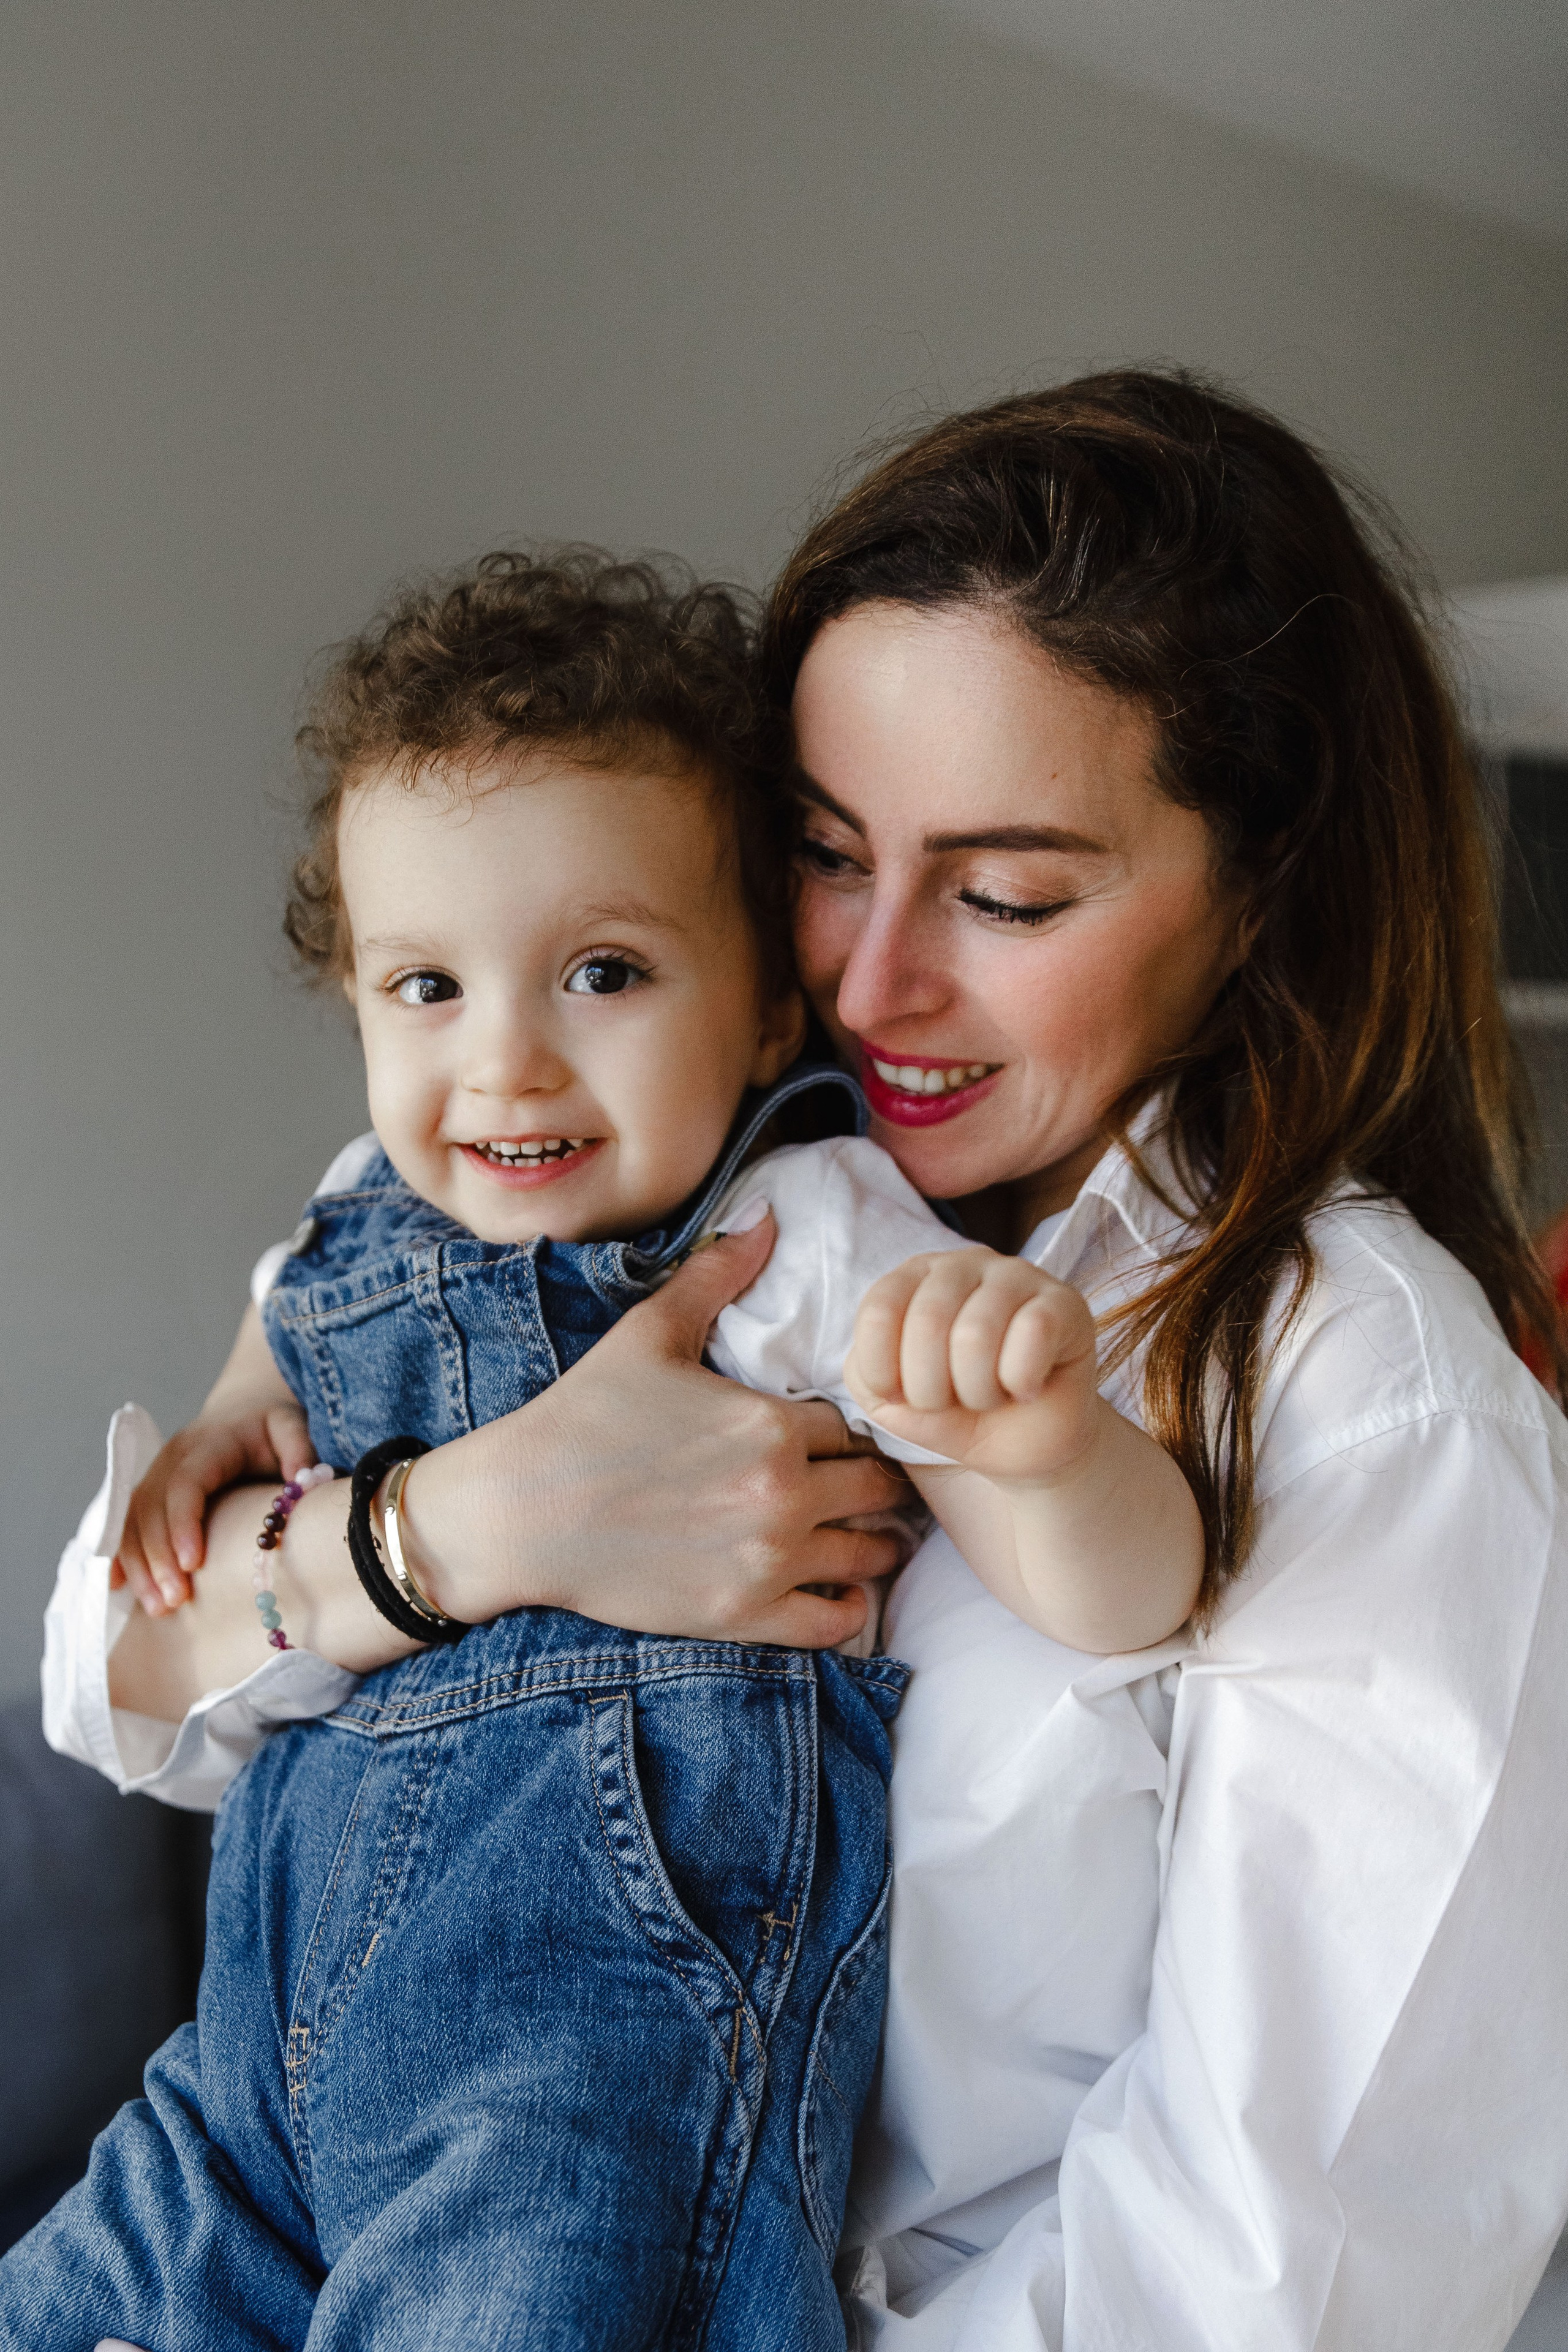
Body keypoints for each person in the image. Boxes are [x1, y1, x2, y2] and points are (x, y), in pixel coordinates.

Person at [39, 369, 1568, 2350]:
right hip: (271, 2150)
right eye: (827, 855)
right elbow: (117, 1671)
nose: (867, 979)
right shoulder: (651, 1174)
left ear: (1259, 887)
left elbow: (1284, 2273)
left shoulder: (1360, 1384)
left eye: (1008, 893)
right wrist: (469, 1528)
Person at [4, 552, 1200, 2352]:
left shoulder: (808, 1237)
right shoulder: (363, 1214)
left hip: (586, 2077)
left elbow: (1128, 1598)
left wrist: (1042, 1456)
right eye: (425, 989)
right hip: (251, 2066)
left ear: (771, 1012)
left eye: (604, 972)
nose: (507, 1066)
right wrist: (233, 1415)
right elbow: (140, 1612)